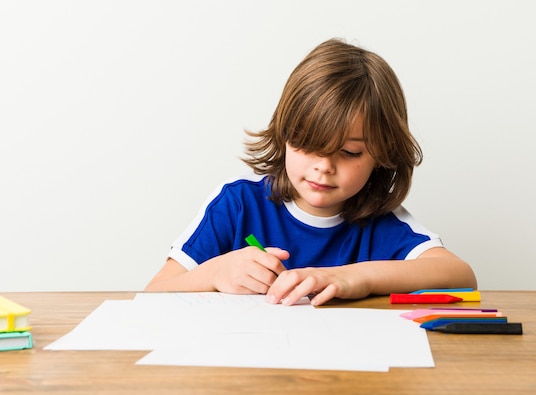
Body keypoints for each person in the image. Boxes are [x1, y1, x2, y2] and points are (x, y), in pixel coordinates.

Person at [145, 38, 476, 306]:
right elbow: (151, 295)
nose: (324, 167)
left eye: (349, 153)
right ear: (285, 135)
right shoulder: (238, 205)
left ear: (382, 154)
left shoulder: (380, 223)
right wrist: (215, 273)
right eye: (309, 144)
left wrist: (351, 278)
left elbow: (460, 276)